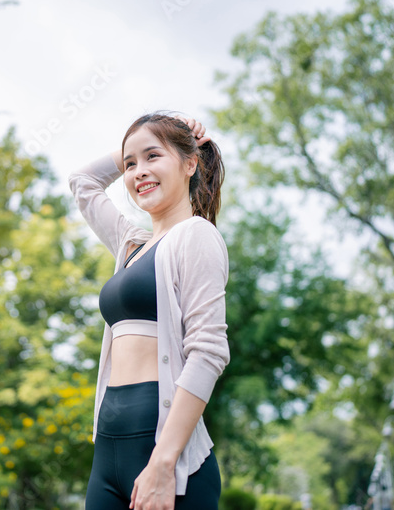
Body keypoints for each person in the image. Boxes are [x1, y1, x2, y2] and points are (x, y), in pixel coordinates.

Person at [67, 114, 229, 510]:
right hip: (107, 453)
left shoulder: (196, 235)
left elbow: (208, 352)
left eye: (153, 156)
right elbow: (83, 181)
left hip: (168, 461)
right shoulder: (130, 245)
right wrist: (139, 143)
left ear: (190, 164)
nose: (139, 171)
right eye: (130, 164)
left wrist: (163, 462)